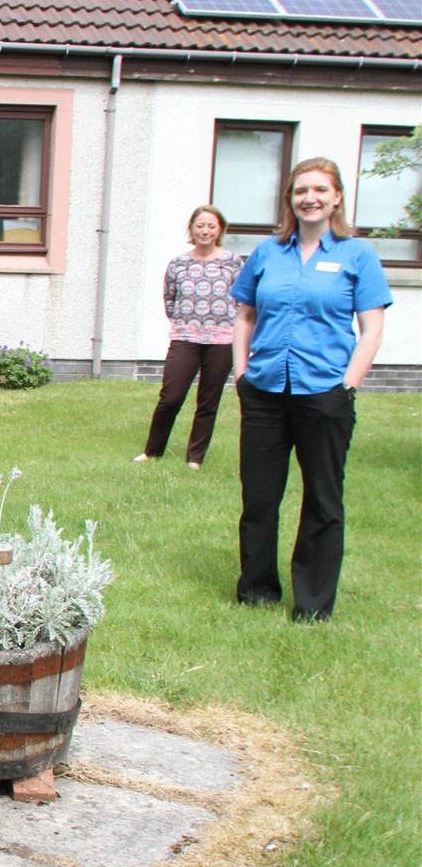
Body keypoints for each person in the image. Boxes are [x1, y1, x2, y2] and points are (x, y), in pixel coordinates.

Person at [231, 157, 391, 622]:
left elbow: (372, 329)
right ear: (291, 199)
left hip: (324, 393)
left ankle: (313, 604)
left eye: (320, 190)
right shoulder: (267, 253)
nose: (310, 198)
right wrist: (241, 373)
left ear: (337, 197)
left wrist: (348, 386)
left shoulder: (357, 255)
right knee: (259, 497)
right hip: (263, 391)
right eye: (301, 191)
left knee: (323, 498)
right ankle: (257, 591)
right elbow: (244, 316)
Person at [133, 205, 241, 469]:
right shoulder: (179, 263)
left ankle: (195, 458)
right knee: (171, 397)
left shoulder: (233, 262)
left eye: (211, 226)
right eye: (200, 225)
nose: (205, 231)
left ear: (220, 230)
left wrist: (230, 326)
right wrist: (186, 324)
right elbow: (169, 299)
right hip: (185, 338)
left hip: (222, 341)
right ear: (191, 229)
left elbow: (243, 299)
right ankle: (152, 452)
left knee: (208, 400)